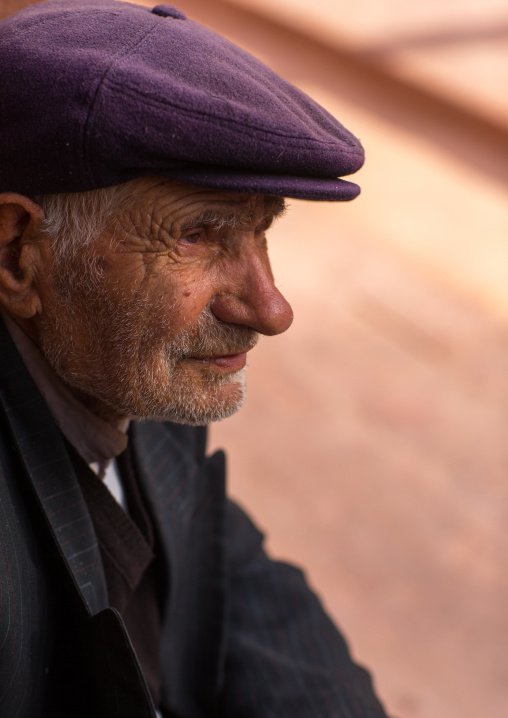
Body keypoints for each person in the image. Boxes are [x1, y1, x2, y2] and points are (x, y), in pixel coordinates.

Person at [0, 1, 389, 716]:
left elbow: (226, 571)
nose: (272, 310)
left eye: (261, 230)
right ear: (18, 252)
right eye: (200, 234)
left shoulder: (124, 361)